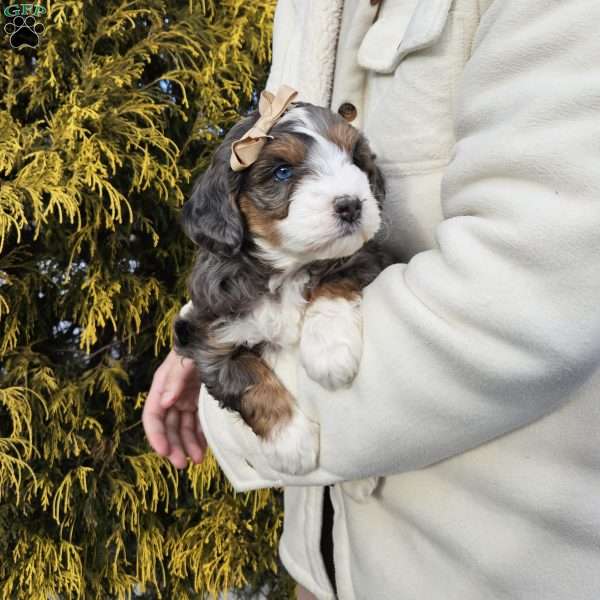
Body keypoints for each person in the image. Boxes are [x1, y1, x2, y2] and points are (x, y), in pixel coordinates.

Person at [143, 0, 600, 598]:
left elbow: (531, 295)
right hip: (323, 560)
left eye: (354, 162)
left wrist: (238, 414)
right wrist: (207, 331)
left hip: (489, 563)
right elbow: (255, 202)